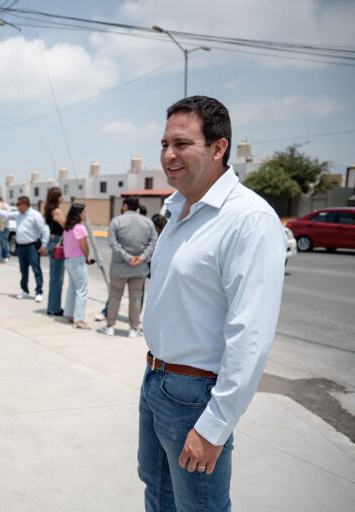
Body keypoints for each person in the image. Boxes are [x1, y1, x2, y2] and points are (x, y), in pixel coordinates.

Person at [139, 96, 286, 511]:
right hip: (156, 382)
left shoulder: (248, 219)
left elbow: (250, 333)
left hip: (196, 396)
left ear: (218, 148)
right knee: (159, 497)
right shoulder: (179, 212)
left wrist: (215, 426)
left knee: (199, 507)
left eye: (182, 144)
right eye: (164, 143)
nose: (169, 155)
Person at [105, 196, 157, 337]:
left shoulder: (116, 221)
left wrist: (126, 257)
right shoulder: (148, 223)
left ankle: (110, 326)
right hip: (139, 267)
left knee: (115, 296)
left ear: (125, 206)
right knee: (135, 298)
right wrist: (142, 257)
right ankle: (133, 329)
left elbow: (112, 242)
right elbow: (153, 243)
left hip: (119, 267)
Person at [0, 196, 49, 302]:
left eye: (18, 204)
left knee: (36, 270)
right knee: (23, 271)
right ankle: (24, 290)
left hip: (32, 246)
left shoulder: (35, 215)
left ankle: (39, 292)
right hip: (21, 247)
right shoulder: (18, 215)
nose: (17, 206)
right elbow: (5, 215)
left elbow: (44, 229)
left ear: (25, 205)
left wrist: (44, 245)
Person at [61, 203, 92, 329]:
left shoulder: (68, 228)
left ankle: (68, 313)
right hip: (78, 261)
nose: (86, 214)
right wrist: (87, 256)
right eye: (84, 212)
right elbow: (84, 246)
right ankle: (79, 319)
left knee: (72, 288)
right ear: (78, 214)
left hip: (68, 260)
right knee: (82, 290)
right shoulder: (80, 228)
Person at [43, 187, 65, 316]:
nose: (62, 198)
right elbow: (66, 225)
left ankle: (52, 306)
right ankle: (54, 308)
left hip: (52, 242)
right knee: (57, 277)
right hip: (58, 242)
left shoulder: (48, 209)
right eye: (61, 195)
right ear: (57, 197)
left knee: (54, 276)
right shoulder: (57, 211)